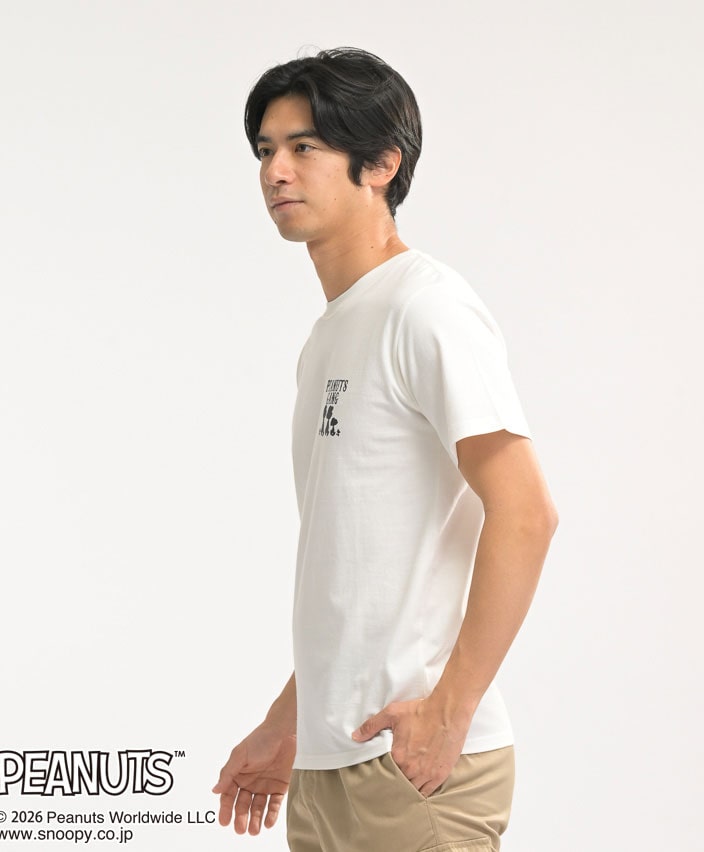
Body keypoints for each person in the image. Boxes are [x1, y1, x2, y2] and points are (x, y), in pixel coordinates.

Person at [212, 47, 558, 852]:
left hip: (414, 767)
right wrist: (286, 725)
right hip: (330, 766)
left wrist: (450, 712)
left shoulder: (426, 310)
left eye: (304, 146)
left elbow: (527, 513)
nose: (275, 171)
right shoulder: (331, 335)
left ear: (382, 164)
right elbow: (359, 576)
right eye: (266, 149)